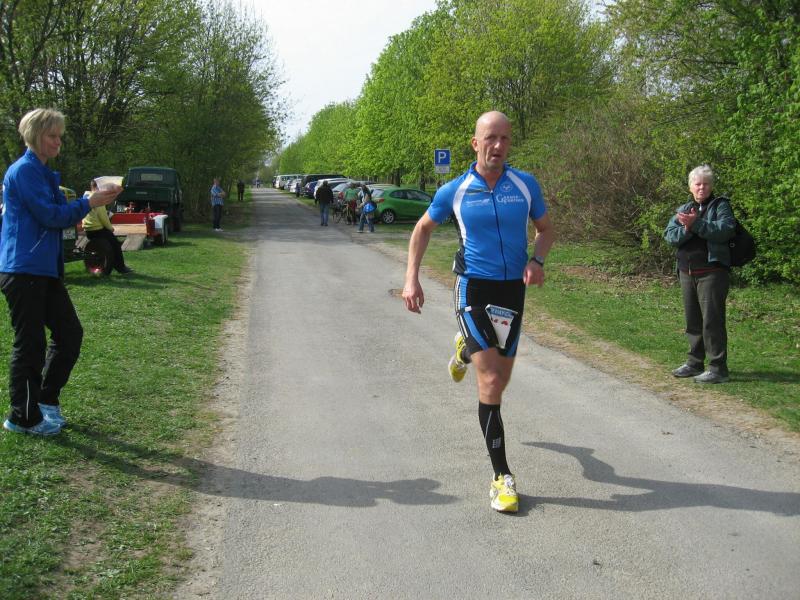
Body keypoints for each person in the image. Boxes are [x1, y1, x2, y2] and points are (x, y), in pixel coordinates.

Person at [402, 111, 555, 513]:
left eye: (504, 138)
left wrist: (537, 261)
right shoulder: (455, 190)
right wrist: (411, 279)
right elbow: (422, 229)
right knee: (490, 380)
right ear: (475, 143)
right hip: (473, 286)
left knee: (500, 379)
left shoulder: (525, 185)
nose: (498, 146)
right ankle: (501, 477)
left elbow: (546, 229)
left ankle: (464, 350)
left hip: (512, 291)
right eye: (490, 138)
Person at [0, 108, 122, 436]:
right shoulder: (24, 171)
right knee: (30, 344)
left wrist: (92, 200)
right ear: (35, 136)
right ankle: (22, 417)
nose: (58, 142)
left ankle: (45, 401)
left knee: (69, 334)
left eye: (60, 136)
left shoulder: (42, 172)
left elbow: (59, 213)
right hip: (23, 269)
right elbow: (50, 216)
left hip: (43, 270)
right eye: (52, 136)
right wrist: (89, 202)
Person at [664, 164, 735, 384]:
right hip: (687, 273)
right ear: (690, 187)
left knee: (712, 321)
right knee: (692, 321)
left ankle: (718, 368)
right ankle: (694, 363)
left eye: (705, 184)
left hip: (712, 273)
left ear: (711, 186)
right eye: (697, 184)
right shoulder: (684, 208)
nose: (701, 188)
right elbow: (669, 236)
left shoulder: (721, 206)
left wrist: (697, 224)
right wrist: (687, 228)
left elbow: (725, 230)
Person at [82, 180, 132, 275]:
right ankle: (121, 267)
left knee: (110, 244)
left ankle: (112, 265)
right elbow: (103, 217)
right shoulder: (98, 199)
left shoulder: (85, 197)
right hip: (97, 229)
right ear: (96, 187)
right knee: (116, 244)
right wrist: (110, 228)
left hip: (88, 230)